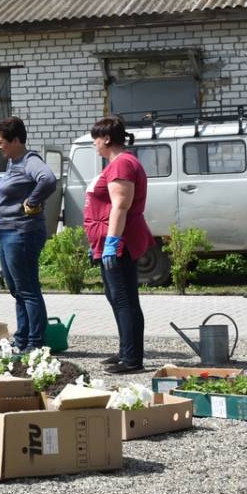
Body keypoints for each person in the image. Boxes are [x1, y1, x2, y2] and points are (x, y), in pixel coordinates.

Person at [83, 116, 149, 373]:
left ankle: (132, 359)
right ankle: (126, 350)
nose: (94, 145)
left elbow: (121, 205)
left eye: (95, 140)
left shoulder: (122, 165)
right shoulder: (117, 163)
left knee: (125, 299)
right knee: (116, 297)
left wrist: (112, 241)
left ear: (107, 139)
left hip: (120, 242)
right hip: (108, 241)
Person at [0, 116, 58, 351]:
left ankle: (35, 343)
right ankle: (22, 338)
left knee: (28, 288)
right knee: (16, 289)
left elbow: (48, 179)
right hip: (6, 232)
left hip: (22, 233)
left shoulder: (30, 160)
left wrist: (32, 200)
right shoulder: (13, 162)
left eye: (2, 142)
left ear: (17, 140)